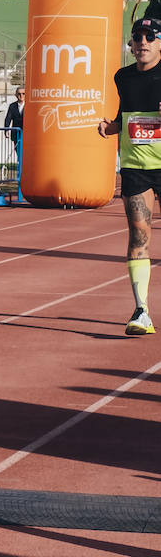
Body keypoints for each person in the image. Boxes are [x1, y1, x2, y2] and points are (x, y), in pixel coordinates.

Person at [97, 17, 161, 336]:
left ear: (160, 42)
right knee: (139, 235)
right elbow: (127, 113)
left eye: (150, 36)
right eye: (137, 37)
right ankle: (141, 311)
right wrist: (111, 127)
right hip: (136, 167)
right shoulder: (122, 76)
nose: (143, 42)